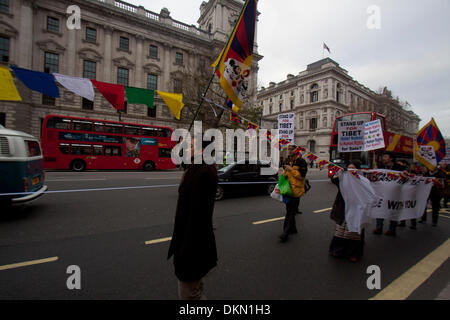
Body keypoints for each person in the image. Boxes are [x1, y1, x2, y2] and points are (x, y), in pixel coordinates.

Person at [167, 139, 218, 300]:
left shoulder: (205, 172)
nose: (187, 149)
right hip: (187, 242)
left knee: (189, 295)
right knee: (195, 290)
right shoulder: (195, 169)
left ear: (202, 150)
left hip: (192, 245)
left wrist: (185, 249)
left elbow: (198, 215)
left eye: (191, 146)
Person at [329, 161, 365, 262]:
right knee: (340, 231)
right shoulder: (343, 179)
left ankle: (354, 253)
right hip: (343, 208)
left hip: (356, 209)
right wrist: (337, 172)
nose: (350, 170)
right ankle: (338, 250)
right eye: (348, 168)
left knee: (353, 233)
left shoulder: (362, 180)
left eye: (353, 168)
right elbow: (334, 180)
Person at [279, 144, 308, 242]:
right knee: (289, 210)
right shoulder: (287, 160)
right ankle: (293, 229)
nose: (289, 150)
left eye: (292, 149)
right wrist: (285, 175)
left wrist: (291, 170)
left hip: (296, 190)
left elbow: (302, 176)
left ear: (296, 150)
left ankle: (285, 232)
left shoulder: (301, 161)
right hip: (287, 189)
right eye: (289, 149)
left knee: (291, 211)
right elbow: (285, 173)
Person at [373, 152, 404, 236]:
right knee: (380, 208)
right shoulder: (380, 166)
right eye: (383, 156)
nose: (383, 158)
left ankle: (392, 229)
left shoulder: (399, 167)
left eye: (385, 156)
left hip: (394, 193)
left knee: (393, 210)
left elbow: (404, 178)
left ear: (391, 158)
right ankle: (379, 227)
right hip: (382, 192)